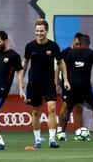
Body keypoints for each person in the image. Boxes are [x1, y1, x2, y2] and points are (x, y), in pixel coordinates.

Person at [22, 18, 70, 148]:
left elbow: (61, 62)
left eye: (41, 31)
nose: (39, 33)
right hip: (34, 83)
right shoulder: (30, 46)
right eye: (37, 31)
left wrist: (65, 80)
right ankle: (37, 140)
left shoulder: (53, 46)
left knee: (52, 108)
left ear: (46, 31)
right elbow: (24, 64)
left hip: (49, 83)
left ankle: (52, 139)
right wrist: (21, 83)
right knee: (36, 112)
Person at [60, 34, 93, 141]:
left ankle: (62, 133)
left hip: (72, 85)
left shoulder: (71, 53)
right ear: (89, 43)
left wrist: (65, 81)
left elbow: (64, 67)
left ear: (80, 42)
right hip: (85, 85)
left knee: (68, 108)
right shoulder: (91, 53)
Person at [55, 32, 84, 141]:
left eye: (80, 44)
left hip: (80, 85)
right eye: (77, 43)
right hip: (67, 84)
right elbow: (58, 68)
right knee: (66, 106)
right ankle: (60, 131)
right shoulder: (65, 52)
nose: (78, 46)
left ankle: (80, 132)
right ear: (73, 40)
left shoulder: (82, 53)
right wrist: (56, 83)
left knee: (79, 107)